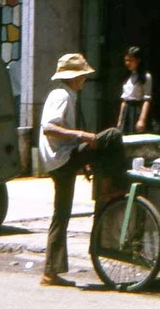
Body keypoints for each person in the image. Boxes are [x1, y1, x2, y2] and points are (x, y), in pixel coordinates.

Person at [38, 53, 125, 287]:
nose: (84, 80)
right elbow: (48, 128)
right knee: (113, 136)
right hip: (61, 158)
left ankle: (50, 272)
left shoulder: (66, 94)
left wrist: (84, 158)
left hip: (59, 160)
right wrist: (82, 135)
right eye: (83, 76)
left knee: (61, 214)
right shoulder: (62, 95)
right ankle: (112, 186)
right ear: (75, 77)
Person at [116, 46, 152, 134]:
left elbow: (146, 100)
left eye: (130, 60)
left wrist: (142, 120)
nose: (127, 63)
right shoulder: (127, 76)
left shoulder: (145, 77)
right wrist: (120, 120)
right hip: (127, 111)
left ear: (138, 60)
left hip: (137, 110)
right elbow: (124, 101)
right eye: (126, 60)